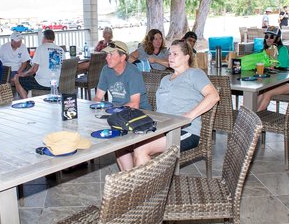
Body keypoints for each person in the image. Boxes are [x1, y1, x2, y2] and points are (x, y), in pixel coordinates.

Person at [123, 40, 219, 171]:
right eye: (169, 54)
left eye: (175, 54)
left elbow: (213, 96)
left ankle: (149, 190)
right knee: (122, 144)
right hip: (162, 128)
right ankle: (129, 181)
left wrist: (189, 117)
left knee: (141, 149)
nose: (171, 57)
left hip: (185, 131)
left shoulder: (194, 74)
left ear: (186, 57)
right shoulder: (165, 79)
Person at [92, 40, 151, 171]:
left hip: (140, 114)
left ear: (123, 56)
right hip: (118, 114)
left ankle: (130, 175)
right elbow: (97, 97)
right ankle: (128, 176)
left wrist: (111, 112)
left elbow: (135, 104)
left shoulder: (133, 72)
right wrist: (93, 110)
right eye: (106, 55)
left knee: (117, 138)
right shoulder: (106, 70)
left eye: (111, 55)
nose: (107, 58)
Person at [14, 29, 64, 99]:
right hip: (56, 84)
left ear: (44, 38)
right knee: (27, 79)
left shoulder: (40, 48)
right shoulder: (60, 50)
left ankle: (26, 101)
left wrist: (23, 74)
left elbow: (34, 70)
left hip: (42, 84)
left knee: (18, 79)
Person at [256, 26, 289, 111]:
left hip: (288, 84)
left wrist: (272, 63)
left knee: (267, 93)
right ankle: (253, 117)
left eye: (272, 37)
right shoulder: (263, 51)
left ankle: (254, 121)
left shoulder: (282, 49)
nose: (268, 39)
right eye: (266, 36)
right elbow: (255, 63)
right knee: (259, 93)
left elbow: (283, 70)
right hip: (268, 84)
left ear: (278, 39)